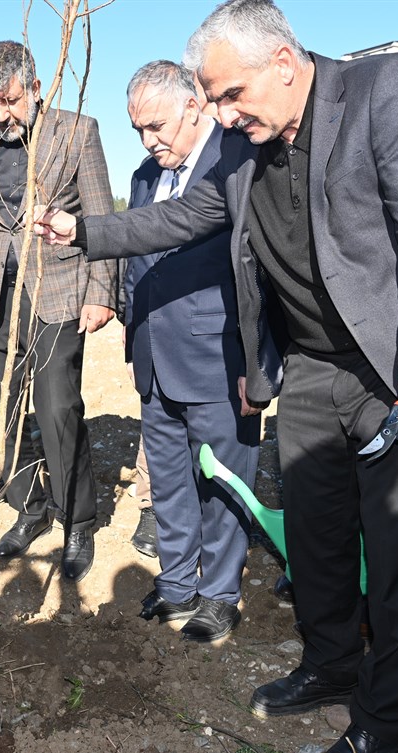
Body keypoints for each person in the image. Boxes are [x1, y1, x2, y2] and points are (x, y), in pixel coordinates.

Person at [34, 0, 398, 753]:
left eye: (230, 94)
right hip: (317, 364)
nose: (222, 115)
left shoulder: (384, 89)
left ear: (284, 62)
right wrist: (82, 232)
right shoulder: (242, 148)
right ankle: (331, 665)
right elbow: (181, 218)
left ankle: (386, 720)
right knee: (317, 535)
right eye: (212, 100)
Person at [0, 40, 118, 581]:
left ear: (36, 87)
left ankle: (76, 520)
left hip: (58, 290)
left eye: (10, 100)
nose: (1, 115)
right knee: (3, 413)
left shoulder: (77, 131)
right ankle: (29, 508)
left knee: (58, 408)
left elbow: (100, 218)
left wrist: (101, 291)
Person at [121, 61, 260, 642]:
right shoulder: (144, 177)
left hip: (219, 360)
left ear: (193, 106)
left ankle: (220, 594)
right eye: (138, 130)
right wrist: (133, 328)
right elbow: (137, 259)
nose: (148, 142)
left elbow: (260, 270)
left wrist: (259, 364)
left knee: (224, 484)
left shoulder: (238, 160)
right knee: (170, 481)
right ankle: (177, 583)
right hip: (155, 357)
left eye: (156, 126)